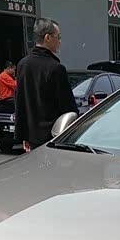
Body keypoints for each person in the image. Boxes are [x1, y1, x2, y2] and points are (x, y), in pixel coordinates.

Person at [15, 18, 76, 152]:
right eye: (58, 37)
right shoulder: (56, 68)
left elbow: (20, 103)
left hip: (32, 138)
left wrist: (23, 136)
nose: (60, 41)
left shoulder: (23, 64)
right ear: (47, 38)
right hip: (53, 137)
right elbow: (68, 108)